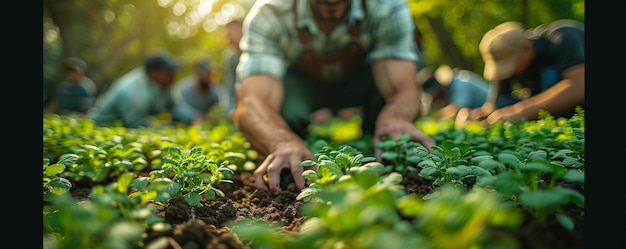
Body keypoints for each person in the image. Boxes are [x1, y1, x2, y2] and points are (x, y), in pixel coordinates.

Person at [231, 0, 436, 193]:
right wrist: (280, 140)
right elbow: (252, 102)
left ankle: (382, 138)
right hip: (302, 89)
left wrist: (397, 116)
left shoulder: (387, 7)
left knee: (387, 108)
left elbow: (404, 88)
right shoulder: (270, 13)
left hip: (363, 83)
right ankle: (293, 151)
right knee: (280, 116)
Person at [455, 19, 584, 128]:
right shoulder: (507, 55)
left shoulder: (563, 37)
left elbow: (579, 86)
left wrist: (518, 112)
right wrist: (474, 116)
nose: (510, 72)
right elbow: (494, 106)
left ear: (527, 48)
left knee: (551, 75)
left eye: (511, 65)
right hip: (551, 114)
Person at [88, 51, 181, 128]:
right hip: (103, 126)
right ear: (153, 73)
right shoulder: (134, 90)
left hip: (124, 127)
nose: (173, 75)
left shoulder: (164, 85)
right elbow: (135, 124)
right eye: (168, 73)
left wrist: (193, 118)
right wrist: (163, 126)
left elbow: (176, 106)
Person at [171, 59, 221, 125]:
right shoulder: (182, 89)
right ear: (197, 72)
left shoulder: (215, 91)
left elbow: (221, 107)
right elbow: (176, 108)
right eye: (207, 74)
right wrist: (194, 117)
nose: (209, 77)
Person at [221, 19, 243, 118]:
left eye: (232, 32)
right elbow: (231, 86)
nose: (229, 38)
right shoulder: (231, 59)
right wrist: (231, 109)